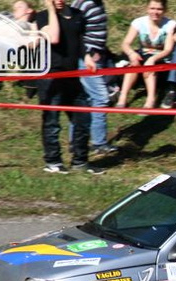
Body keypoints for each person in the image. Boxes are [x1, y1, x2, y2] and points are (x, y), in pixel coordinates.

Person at [35, 0, 103, 174]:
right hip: (50, 77)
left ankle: (80, 161)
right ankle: (53, 161)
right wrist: (51, 10)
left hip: (71, 77)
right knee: (52, 122)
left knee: (83, 118)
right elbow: (54, 38)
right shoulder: (42, 17)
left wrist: (86, 57)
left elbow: (79, 40)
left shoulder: (78, 16)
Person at [70, 0, 117, 155]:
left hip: (99, 58)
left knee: (84, 100)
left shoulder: (98, 3)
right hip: (86, 60)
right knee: (101, 98)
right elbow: (74, 31)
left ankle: (75, 142)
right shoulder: (82, 4)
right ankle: (98, 143)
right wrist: (87, 54)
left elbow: (96, 31)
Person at [117, 0, 176, 109]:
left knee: (150, 66)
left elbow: (168, 49)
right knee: (133, 64)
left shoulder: (170, 25)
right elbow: (125, 43)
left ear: (165, 10)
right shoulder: (139, 22)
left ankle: (150, 100)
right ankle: (123, 97)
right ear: (147, 9)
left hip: (161, 59)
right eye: (152, 8)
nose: (155, 12)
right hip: (142, 55)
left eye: (159, 9)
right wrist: (131, 54)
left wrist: (153, 58)